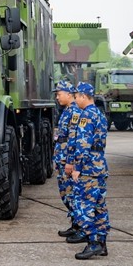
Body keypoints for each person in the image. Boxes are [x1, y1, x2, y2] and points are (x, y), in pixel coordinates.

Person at [63, 81, 110, 259]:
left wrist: (77, 168)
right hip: (99, 166)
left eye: (76, 97)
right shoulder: (99, 114)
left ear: (83, 96)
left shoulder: (86, 116)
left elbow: (83, 145)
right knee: (100, 207)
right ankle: (102, 242)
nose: (75, 100)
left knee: (82, 206)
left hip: (88, 169)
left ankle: (93, 243)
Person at [53, 80, 79, 239]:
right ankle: (75, 224)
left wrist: (71, 161)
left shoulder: (74, 112)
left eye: (59, 94)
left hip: (68, 158)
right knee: (66, 192)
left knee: (72, 193)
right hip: (62, 156)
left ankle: (80, 227)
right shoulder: (67, 110)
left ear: (69, 94)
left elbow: (75, 139)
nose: (57, 97)